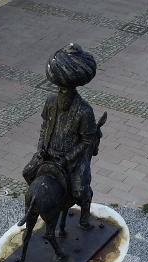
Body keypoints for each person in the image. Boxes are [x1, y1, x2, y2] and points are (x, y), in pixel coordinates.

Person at [22, 43, 100, 229]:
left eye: (65, 91)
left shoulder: (84, 110)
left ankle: (84, 214)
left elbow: (87, 140)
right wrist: (41, 148)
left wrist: (68, 158)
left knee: (80, 189)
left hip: (71, 160)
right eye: (60, 90)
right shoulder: (50, 102)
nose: (61, 94)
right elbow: (44, 126)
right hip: (48, 154)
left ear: (73, 90)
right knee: (27, 172)